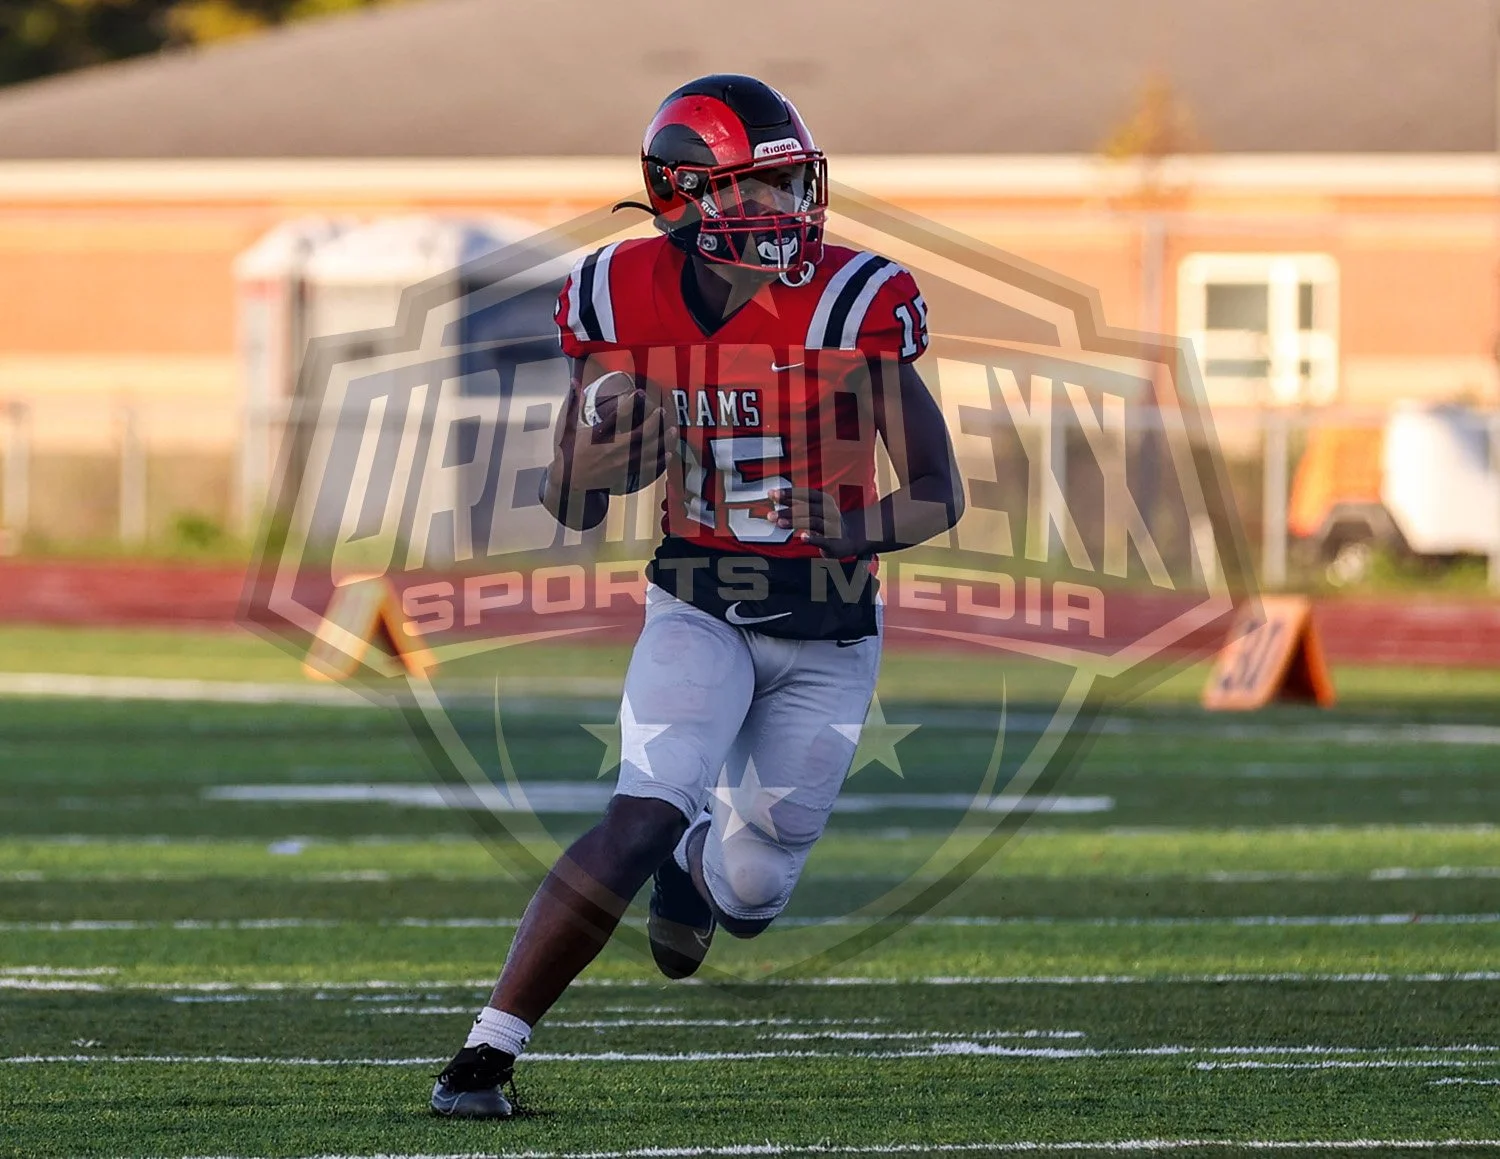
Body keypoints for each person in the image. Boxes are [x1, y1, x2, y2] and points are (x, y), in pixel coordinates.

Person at [430, 73, 964, 1118]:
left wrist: (847, 528)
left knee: (753, 894)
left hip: (828, 625)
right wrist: (590, 464)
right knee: (637, 812)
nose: (782, 209)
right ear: (680, 195)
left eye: (788, 185)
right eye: (751, 188)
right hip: (698, 598)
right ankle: (484, 1054)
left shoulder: (855, 296)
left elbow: (939, 490)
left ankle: (696, 859)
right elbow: (571, 500)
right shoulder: (615, 290)